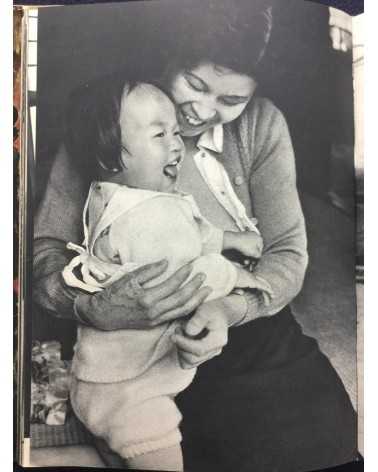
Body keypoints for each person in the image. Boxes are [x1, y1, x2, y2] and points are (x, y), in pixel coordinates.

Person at [33, 1, 357, 470]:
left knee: (327, 449)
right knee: (155, 442)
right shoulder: (111, 117)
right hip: (133, 345)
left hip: (239, 324)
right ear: (169, 56)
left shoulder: (262, 125)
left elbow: (286, 255)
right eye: (195, 84)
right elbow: (44, 253)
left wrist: (228, 309)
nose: (202, 111)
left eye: (231, 101)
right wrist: (89, 306)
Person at [62, 80, 272, 471]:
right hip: (134, 394)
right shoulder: (152, 217)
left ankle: (56, 458)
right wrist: (238, 276)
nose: (177, 144)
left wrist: (230, 238)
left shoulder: (112, 194)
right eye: (160, 135)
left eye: (176, 131)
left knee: (115, 455)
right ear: (112, 158)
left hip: (96, 376)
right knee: (160, 456)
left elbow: (194, 231)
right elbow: (191, 277)